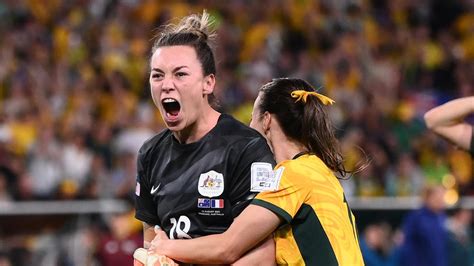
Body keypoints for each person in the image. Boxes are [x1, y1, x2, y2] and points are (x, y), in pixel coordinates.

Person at [148, 78, 365, 265]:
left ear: (267, 120)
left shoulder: (291, 176)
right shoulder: (316, 169)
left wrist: (166, 247)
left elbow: (227, 247)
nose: (249, 126)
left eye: (252, 118)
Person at [133, 11, 276, 264]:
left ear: (208, 83)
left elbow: (264, 256)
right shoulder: (150, 154)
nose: (166, 84)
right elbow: (152, 245)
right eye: (157, 75)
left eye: (180, 74)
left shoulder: (246, 149)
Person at [398, 185, 448, 266]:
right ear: (428, 198)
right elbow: (406, 245)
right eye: (438, 197)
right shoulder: (415, 217)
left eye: (442, 197)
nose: (441, 201)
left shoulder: (442, 217)